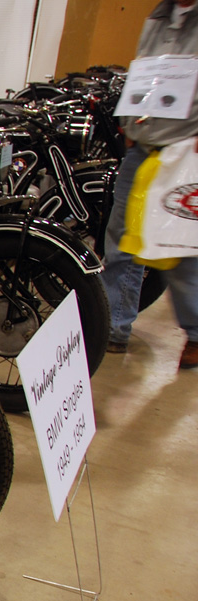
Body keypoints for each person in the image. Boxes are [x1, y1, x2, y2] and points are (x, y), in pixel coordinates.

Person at [102, 0, 198, 369]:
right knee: (122, 238)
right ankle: (114, 325)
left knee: (180, 246)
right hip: (143, 148)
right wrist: (130, 123)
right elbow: (143, 72)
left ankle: (197, 331)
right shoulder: (157, 18)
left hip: (185, 150)